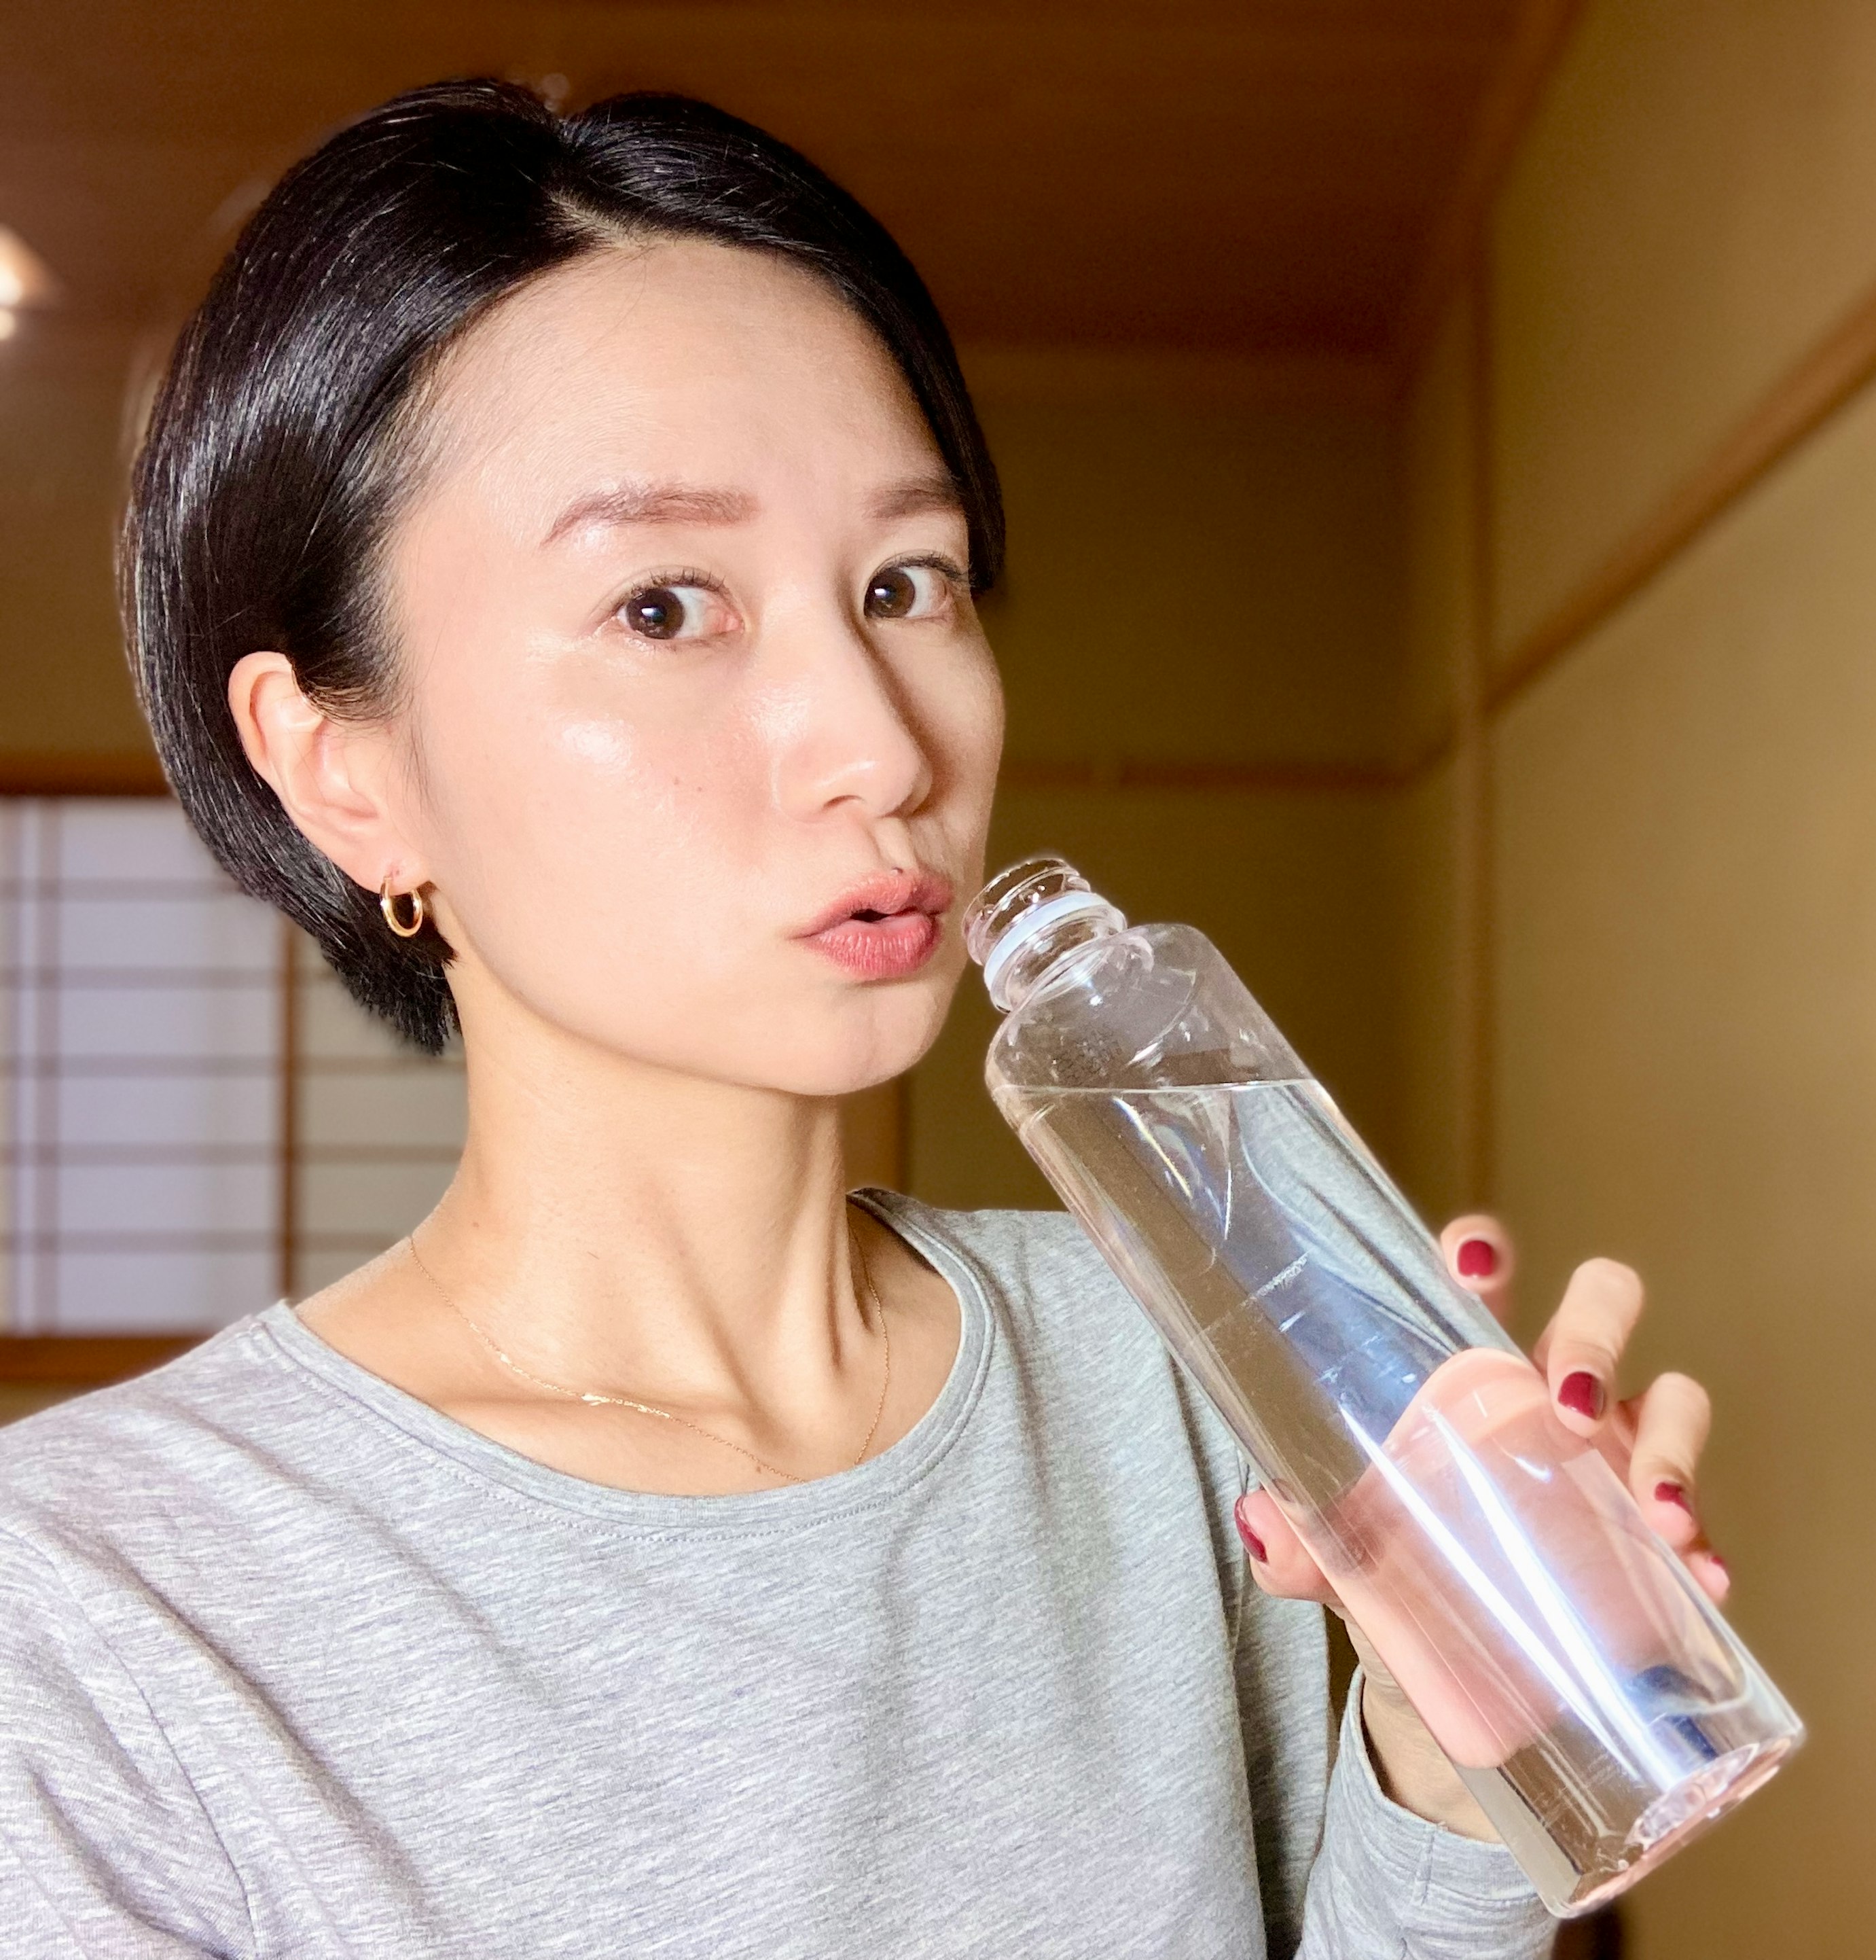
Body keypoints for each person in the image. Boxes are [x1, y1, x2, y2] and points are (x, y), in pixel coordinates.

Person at [0, 83, 1731, 1959]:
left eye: (907, 584)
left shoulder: (1173, 1355)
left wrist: (1450, 1767)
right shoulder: (99, 1604)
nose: (885, 744)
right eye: (667, 607)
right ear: (346, 774)